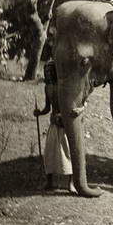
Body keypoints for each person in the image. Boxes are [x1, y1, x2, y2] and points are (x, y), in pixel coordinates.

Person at [34, 60, 74, 192]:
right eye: (46, 72)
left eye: (51, 72)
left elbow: (70, 106)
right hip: (54, 124)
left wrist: (63, 116)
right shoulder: (48, 88)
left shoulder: (65, 87)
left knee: (68, 153)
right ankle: (49, 182)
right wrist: (40, 112)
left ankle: (71, 184)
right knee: (50, 153)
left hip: (65, 125)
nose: (48, 74)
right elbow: (47, 108)